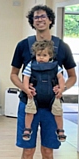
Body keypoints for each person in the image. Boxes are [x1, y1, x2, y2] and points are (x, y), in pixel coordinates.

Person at [10, 5, 77, 159]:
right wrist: (25, 88)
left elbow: (73, 76)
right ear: (32, 23)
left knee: (48, 151)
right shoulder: (23, 46)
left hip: (52, 106)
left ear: (50, 20)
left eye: (43, 16)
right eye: (36, 17)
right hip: (28, 105)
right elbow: (13, 74)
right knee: (28, 151)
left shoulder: (62, 47)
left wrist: (62, 88)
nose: (39, 20)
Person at [22, 40, 66, 142]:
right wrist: (27, 90)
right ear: (35, 54)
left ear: (50, 55)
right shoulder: (31, 65)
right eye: (39, 55)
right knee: (29, 110)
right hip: (34, 94)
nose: (41, 57)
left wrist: (61, 89)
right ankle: (27, 129)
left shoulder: (56, 66)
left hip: (52, 95)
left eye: (44, 55)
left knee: (58, 111)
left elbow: (61, 78)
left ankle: (60, 129)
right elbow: (26, 78)